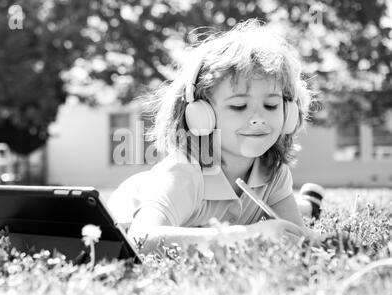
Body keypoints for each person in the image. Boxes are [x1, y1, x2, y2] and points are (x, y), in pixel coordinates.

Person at [107, 19, 325, 254]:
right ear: (201, 115)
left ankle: (307, 206)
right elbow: (141, 238)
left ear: (289, 112)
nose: (258, 118)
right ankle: (309, 205)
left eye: (271, 105)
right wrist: (248, 236)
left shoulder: (273, 170)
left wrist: (324, 243)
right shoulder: (184, 174)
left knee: (293, 212)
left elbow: (296, 236)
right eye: (239, 106)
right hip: (138, 197)